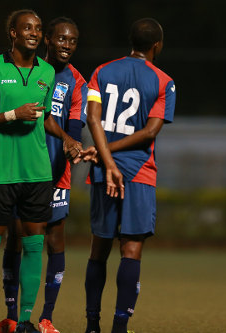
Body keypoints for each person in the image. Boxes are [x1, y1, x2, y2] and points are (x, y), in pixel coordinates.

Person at [0, 9, 87, 333]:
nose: (33, 32)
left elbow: (45, 117)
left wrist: (66, 139)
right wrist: (10, 115)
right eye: (27, 28)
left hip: (38, 175)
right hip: (1, 174)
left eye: (36, 28)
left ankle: (25, 322)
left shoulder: (46, 72)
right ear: (13, 34)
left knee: (35, 245)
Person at [83, 18, 176, 333]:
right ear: (156, 46)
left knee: (99, 248)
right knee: (131, 249)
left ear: (131, 41)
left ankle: (92, 325)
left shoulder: (101, 72)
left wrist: (105, 157)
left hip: (101, 170)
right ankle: (119, 329)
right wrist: (114, 158)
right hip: (138, 171)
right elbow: (150, 132)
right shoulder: (164, 82)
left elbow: (92, 118)